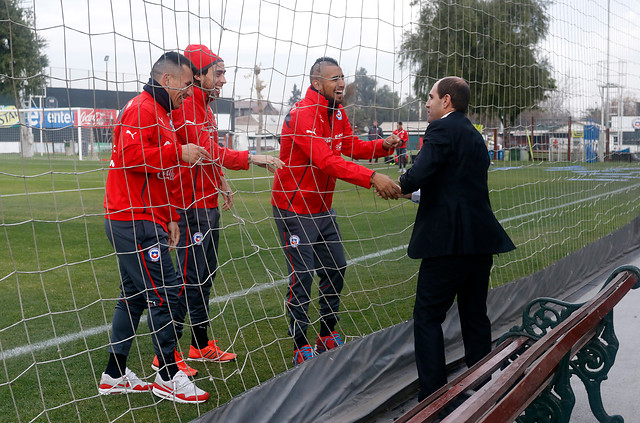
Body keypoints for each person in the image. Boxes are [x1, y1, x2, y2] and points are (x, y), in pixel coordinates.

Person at [160, 44, 283, 372]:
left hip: (207, 203)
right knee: (190, 278)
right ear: (197, 75)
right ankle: (166, 354)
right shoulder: (185, 107)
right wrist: (252, 158)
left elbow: (208, 155)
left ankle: (199, 345)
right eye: (219, 72)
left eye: (225, 72)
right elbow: (210, 149)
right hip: (188, 207)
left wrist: (221, 183)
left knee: (205, 275)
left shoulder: (207, 108)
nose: (224, 79)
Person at [272, 57, 402, 365]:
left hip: (322, 209)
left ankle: (326, 335)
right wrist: (372, 177)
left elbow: (352, 147)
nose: (341, 82)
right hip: (294, 209)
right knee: (302, 276)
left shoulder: (337, 111)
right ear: (317, 83)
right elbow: (327, 161)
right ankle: (299, 344)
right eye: (334, 78)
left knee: (336, 268)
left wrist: (383, 146)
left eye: (342, 77)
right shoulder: (303, 114)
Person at [98, 51, 210, 404]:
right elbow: (130, 156)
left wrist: (172, 218)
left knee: (133, 297)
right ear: (167, 80)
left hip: (149, 219)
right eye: (187, 85)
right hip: (131, 219)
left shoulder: (163, 114)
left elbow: (161, 178)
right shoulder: (141, 108)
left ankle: (114, 375)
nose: (190, 92)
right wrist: (179, 152)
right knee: (166, 290)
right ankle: (167, 374)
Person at [398, 76, 515, 401]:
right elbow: (453, 189)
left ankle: (432, 398)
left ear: (446, 101)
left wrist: (401, 185)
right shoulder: (473, 135)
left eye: (431, 97)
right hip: (479, 243)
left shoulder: (441, 130)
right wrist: (411, 195)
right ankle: (485, 387)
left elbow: (417, 176)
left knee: (427, 317)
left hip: (448, 244)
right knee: (475, 315)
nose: (427, 103)